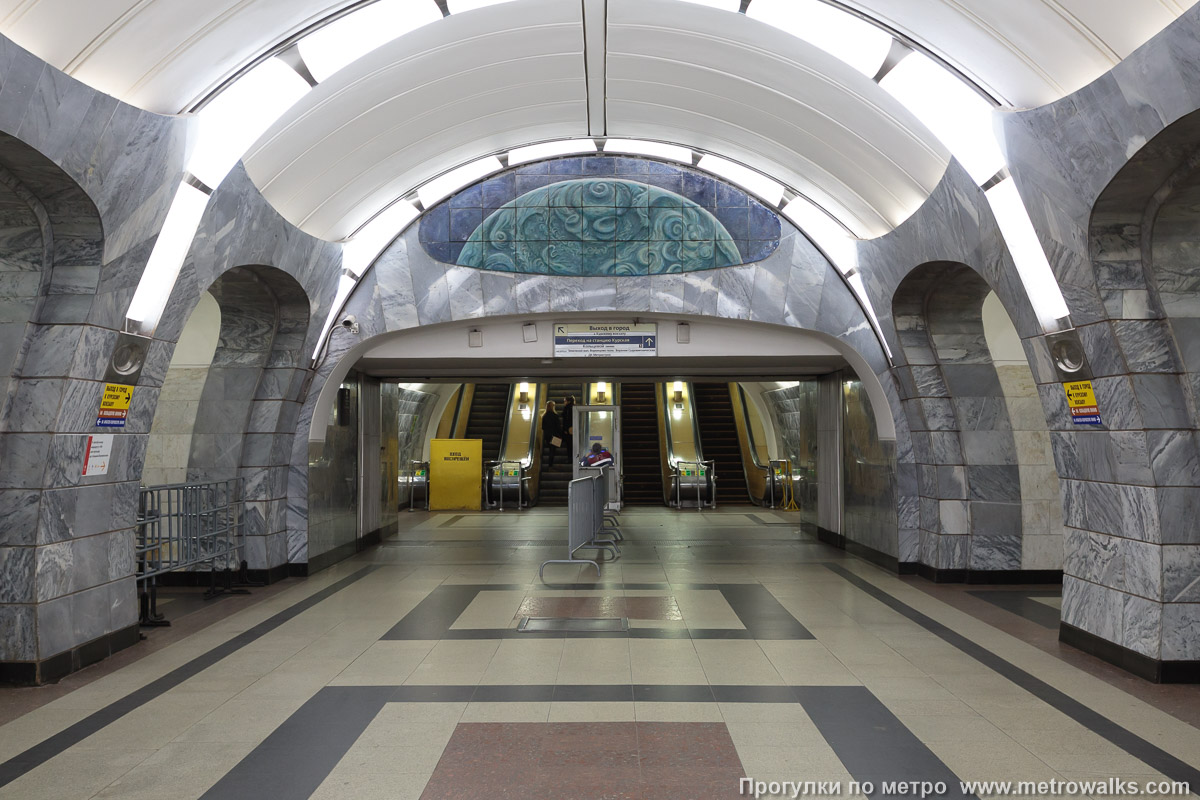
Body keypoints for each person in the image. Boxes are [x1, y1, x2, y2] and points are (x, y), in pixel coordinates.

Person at [541, 399, 563, 468]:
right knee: (552, 450)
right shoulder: (555, 416)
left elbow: (543, 427)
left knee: (551, 449)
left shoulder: (544, 416)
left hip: (547, 436)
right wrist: (561, 435)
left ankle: (550, 465)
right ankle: (550, 466)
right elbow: (558, 426)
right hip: (554, 435)